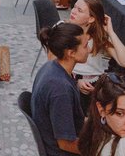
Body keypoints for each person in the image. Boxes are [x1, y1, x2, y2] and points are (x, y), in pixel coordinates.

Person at [32, 22, 90, 156]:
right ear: (71, 53)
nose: (89, 50)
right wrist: (101, 150)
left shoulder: (51, 66)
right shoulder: (60, 89)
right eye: (85, 46)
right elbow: (65, 143)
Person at [69, 0, 125, 112]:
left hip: (97, 85)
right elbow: (53, 66)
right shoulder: (62, 30)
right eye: (74, 7)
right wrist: (76, 82)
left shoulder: (99, 37)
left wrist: (111, 32)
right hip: (71, 81)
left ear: (91, 19)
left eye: (79, 10)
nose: (73, 11)